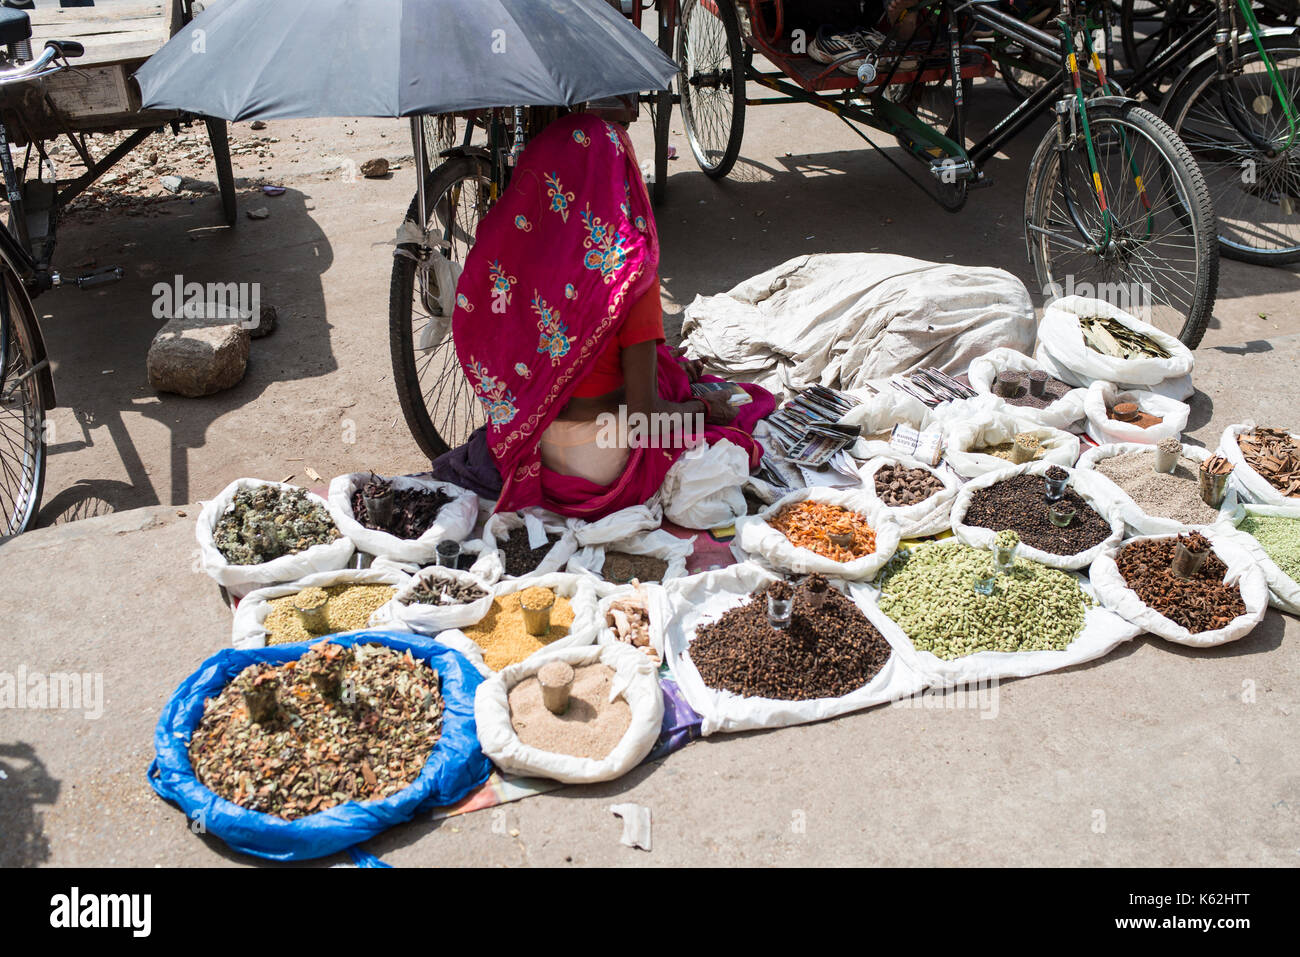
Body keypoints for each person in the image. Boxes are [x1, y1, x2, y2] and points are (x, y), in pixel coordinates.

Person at [436, 111, 774, 520]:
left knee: (669, 373)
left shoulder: (507, 260)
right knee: (749, 405)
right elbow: (646, 421)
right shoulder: (627, 278)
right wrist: (708, 412)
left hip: (529, 456)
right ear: (620, 179)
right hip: (600, 472)